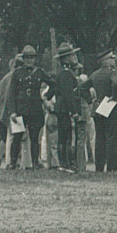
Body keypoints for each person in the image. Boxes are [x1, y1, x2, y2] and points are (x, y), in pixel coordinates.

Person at [9, 45, 48, 170]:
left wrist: (46, 96)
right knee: (17, 137)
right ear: (23, 59)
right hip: (20, 110)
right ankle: (13, 162)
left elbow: (53, 84)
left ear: (35, 59)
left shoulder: (40, 72)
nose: (29, 61)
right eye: (27, 58)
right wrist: (13, 111)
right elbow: (11, 93)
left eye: (31, 58)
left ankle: (35, 163)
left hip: (35, 109)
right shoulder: (17, 73)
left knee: (34, 138)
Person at [47, 41, 83, 173]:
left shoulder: (62, 73)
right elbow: (68, 95)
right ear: (66, 58)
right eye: (71, 55)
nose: (74, 56)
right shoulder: (67, 74)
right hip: (65, 109)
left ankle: (64, 163)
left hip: (61, 108)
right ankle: (66, 164)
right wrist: (73, 111)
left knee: (64, 136)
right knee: (66, 137)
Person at [90, 51, 117, 172]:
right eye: (112, 59)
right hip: (110, 107)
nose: (114, 61)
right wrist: (114, 96)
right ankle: (112, 166)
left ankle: (99, 166)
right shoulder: (111, 73)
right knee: (112, 137)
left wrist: (92, 99)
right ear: (107, 61)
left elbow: (82, 87)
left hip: (97, 108)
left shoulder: (94, 74)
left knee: (100, 138)